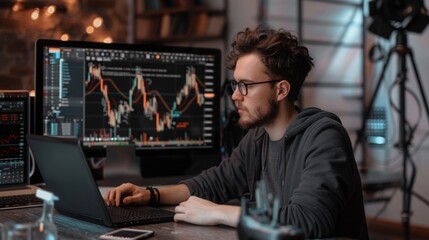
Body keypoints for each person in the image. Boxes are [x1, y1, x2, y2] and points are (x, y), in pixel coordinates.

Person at [104, 25, 369, 239]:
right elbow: (213, 183)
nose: (234, 96)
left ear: (281, 90)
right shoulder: (258, 137)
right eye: (235, 84)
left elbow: (308, 221)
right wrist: (150, 194)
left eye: (245, 86)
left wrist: (219, 213)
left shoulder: (324, 137)